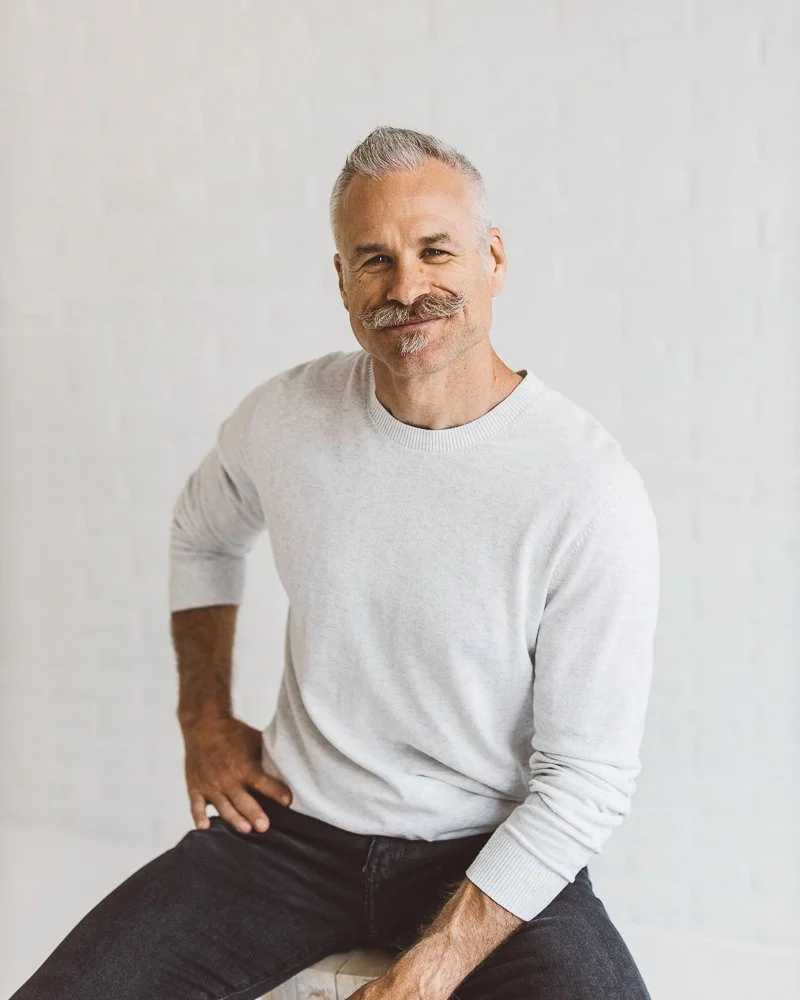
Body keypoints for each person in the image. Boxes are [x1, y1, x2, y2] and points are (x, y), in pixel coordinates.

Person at [12, 126, 659, 1000]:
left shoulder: (585, 488)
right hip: (290, 836)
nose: (408, 288)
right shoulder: (286, 419)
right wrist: (203, 718)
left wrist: (426, 974)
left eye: (435, 251)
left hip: (487, 851)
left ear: (493, 257)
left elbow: (586, 782)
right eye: (374, 260)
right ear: (342, 281)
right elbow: (203, 531)